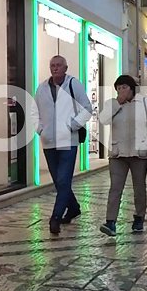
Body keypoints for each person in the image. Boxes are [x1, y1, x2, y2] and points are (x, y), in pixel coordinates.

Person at [98, 75, 147, 237]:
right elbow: (103, 120)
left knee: (139, 188)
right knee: (115, 188)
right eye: (118, 88)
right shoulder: (112, 104)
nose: (121, 91)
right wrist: (117, 104)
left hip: (139, 154)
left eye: (124, 87)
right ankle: (110, 222)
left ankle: (139, 217)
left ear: (132, 88)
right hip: (117, 153)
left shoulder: (146, 104)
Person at [34, 55, 92, 235]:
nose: (55, 68)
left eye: (59, 65)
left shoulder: (74, 84)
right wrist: (40, 129)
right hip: (49, 141)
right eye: (52, 65)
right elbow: (34, 112)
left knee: (63, 179)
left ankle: (55, 218)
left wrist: (71, 126)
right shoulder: (41, 88)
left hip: (68, 141)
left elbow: (87, 109)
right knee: (59, 181)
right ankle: (73, 208)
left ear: (66, 68)